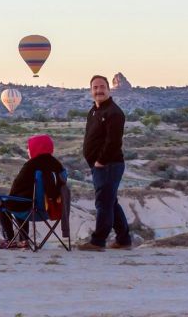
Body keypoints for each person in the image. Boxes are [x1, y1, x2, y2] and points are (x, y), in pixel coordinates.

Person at [79, 75, 131, 252]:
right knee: (110, 202)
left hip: (108, 165)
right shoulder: (94, 111)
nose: (98, 90)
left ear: (109, 89)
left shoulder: (114, 113)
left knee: (103, 203)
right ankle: (124, 240)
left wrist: (101, 161)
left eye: (102, 87)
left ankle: (98, 241)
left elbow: (113, 142)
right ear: (91, 91)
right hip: (99, 166)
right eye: (95, 87)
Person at [0, 134, 64, 250]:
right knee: (20, 201)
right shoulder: (58, 165)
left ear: (37, 148)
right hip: (53, 209)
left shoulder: (31, 165)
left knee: (4, 204)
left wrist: (11, 196)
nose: (28, 150)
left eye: (29, 147)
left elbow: (16, 187)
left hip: (33, 210)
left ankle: (10, 240)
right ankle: (23, 241)